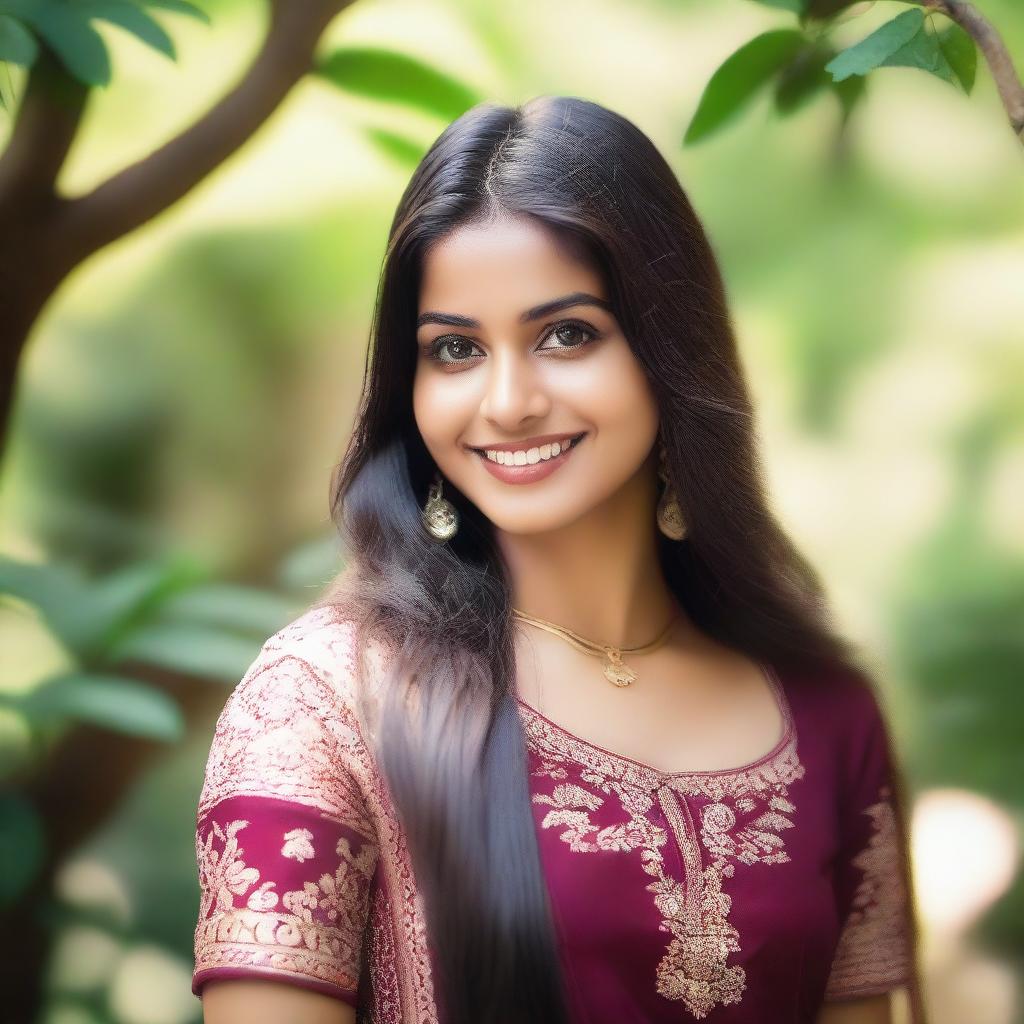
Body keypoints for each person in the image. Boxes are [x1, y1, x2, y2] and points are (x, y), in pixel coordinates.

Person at [190, 95, 927, 1024]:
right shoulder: (323, 703)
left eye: (566, 334)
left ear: (668, 350)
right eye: (454, 349)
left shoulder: (824, 712)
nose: (507, 401)